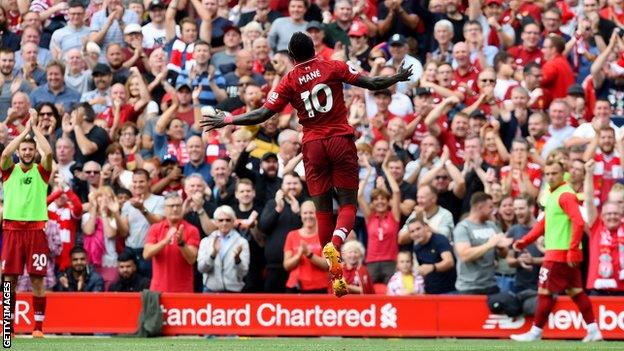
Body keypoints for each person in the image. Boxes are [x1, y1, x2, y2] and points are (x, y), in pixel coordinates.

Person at [201, 31, 411, 297]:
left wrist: (228, 120)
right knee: (347, 203)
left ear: (290, 57)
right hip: (339, 139)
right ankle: (336, 243)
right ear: (315, 48)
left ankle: (335, 274)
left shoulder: (289, 80)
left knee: (322, 209)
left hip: (312, 145)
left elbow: (264, 113)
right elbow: (370, 82)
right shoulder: (333, 65)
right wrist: (397, 78)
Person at [510, 161, 603, 342]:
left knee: (544, 293)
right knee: (576, 292)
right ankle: (593, 330)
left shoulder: (566, 195)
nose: (551, 177)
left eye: (555, 173)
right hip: (562, 254)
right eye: (548, 174)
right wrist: (525, 241)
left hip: (559, 255)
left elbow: (578, 222)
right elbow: (544, 224)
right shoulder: (552, 196)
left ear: (563, 174)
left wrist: (573, 249)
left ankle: (535, 332)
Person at [0, 110, 52, 337]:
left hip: (35, 230)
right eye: (24, 149)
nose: (28, 152)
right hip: (11, 229)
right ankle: (8, 327)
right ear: (19, 151)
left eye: (31, 149)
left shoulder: (42, 172)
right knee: (9, 280)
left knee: (37, 279)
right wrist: (23, 134)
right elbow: (4, 153)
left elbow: (48, 151)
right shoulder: (9, 171)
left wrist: (34, 128)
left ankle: (38, 327)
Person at [454, 192, 512, 295]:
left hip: (491, 285)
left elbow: (504, 254)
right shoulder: (463, 228)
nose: (492, 211)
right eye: (490, 207)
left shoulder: (492, 226)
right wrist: (489, 244)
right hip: (469, 287)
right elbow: (464, 255)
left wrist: (501, 248)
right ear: (479, 207)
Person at [143, 192, 200, 293]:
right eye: (171, 206)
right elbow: (146, 254)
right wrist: (164, 241)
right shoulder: (155, 228)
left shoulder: (191, 230)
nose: (175, 209)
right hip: (158, 291)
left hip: (183, 291)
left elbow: (191, 259)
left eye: (178, 205)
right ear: (164, 209)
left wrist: (182, 243)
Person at [197, 205, 250, 292]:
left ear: (233, 221)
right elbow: (201, 268)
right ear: (215, 222)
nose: (224, 223)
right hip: (210, 291)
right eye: (220, 220)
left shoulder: (241, 242)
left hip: (233, 292)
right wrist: (213, 254)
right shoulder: (206, 241)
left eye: (228, 220)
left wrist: (237, 259)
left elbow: (243, 272)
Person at [283, 201, 329, 293]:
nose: (308, 216)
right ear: (301, 215)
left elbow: (327, 265)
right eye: (305, 213)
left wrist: (309, 254)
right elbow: (286, 265)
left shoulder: (325, 236)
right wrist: (298, 255)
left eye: (311, 213)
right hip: (296, 287)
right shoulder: (292, 235)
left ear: (317, 214)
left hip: (319, 287)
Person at [408, 213, 456, 294]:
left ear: (426, 227)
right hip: (429, 292)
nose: (416, 233)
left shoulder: (439, 239)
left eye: (418, 229)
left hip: (449, 291)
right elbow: (424, 270)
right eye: (412, 231)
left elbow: (449, 262)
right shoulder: (417, 248)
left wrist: (432, 267)